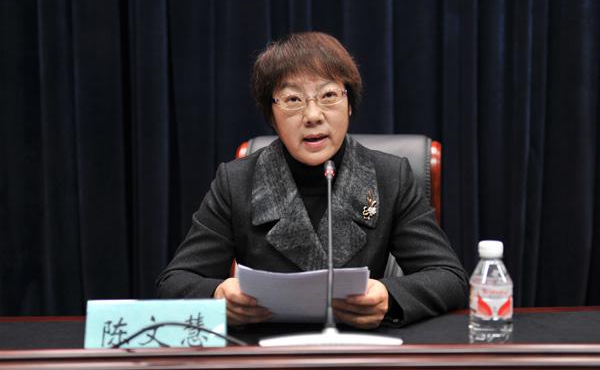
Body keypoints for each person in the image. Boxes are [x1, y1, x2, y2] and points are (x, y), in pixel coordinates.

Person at [156, 32, 468, 329]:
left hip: (357, 347)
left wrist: (389, 297)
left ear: (349, 104)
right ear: (271, 115)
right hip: (268, 349)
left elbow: (450, 278)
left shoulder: (390, 176)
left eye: (328, 95)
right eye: (293, 100)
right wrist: (218, 295)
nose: (313, 115)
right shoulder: (237, 182)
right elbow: (175, 282)